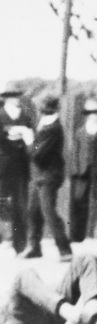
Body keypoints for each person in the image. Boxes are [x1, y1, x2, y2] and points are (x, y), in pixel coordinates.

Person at [1, 254, 97, 324]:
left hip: (52, 314)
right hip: (19, 319)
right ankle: (76, 316)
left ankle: (90, 312)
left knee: (84, 259)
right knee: (23, 275)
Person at [22, 93, 72, 261]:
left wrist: (28, 139)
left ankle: (65, 250)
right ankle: (34, 247)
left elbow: (37, 155)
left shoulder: (52, 129)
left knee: (48, 211)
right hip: (40, 175)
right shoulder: (45, 126)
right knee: (33, 211)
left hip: (49, 176)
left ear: (43, 109)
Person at [68, 98, 97, 242]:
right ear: (87, 114)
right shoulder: (80, 132)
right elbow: (75, 152)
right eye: (92, 113)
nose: (95, 115)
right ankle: (77, 236)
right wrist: (75, 170)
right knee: (79, 201)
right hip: (82, 172)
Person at [0, 88, 33, 254]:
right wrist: (8, 134)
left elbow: (31, 139)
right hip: (3, 166)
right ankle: (4, 237)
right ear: (6, 99)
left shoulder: (25, 116)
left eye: (17, 96)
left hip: (21, 166)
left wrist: (25, 138)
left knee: (20, 204)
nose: (17, 99)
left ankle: (19, 244)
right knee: (3, 202)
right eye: (13, 96)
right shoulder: (0, 115)